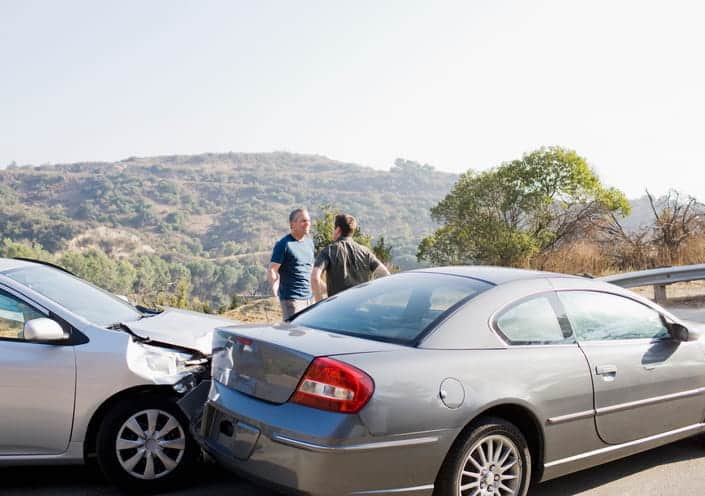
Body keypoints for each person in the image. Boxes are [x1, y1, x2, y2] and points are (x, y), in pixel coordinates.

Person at [312, 214, 390, 302]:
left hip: (336, 307)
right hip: (361, 306)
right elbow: (385, 273)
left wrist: (319, 304)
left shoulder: (329, 250)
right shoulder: (365, 252)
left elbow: (315, 277)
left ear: (337, 230)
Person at [267, 208, 314, 320]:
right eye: (303, 221)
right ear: (292, 224)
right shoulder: (283, 244)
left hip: (310, 299)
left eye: (308, 220)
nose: (307, 223)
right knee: (293, 334)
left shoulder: (310, 243)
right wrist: (274, 286)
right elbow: (272, 269)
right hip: (292, 300)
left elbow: (310, 269)